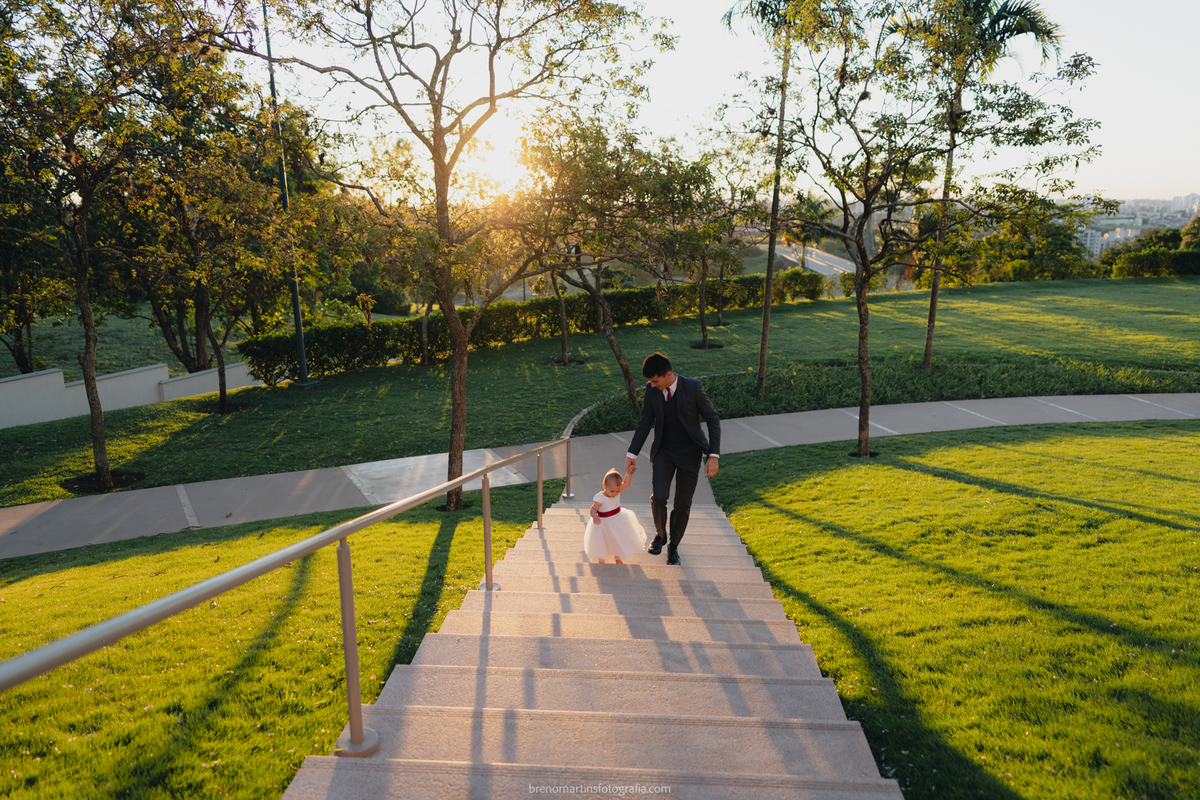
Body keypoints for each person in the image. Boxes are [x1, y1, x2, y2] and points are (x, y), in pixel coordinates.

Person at [625, 352, 721, 566]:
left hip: (690, 454)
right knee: (659, 496)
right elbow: (644, 423)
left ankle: (674, 548)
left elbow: (713, 419)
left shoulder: (693, 388)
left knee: (682, 504)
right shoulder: (652, 391)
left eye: (655, 381)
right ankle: (661, 535)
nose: (652, 385)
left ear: (668, 375)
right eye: (650, 382)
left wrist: (712, 455)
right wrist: (631, 454)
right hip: (663, 452)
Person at [584, 468, 647, 564]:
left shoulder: (616, 490)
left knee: (617, 539)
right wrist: (595, 516)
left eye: (617, 491)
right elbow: (593, 509)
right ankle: (601, 559)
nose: (615, 494)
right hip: (603, 523)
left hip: (618, 520)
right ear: (605, 486)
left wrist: (629, 474)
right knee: (603, 541)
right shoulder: (600, 497)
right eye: (612, 491)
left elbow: (626, 483)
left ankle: (617, 557)